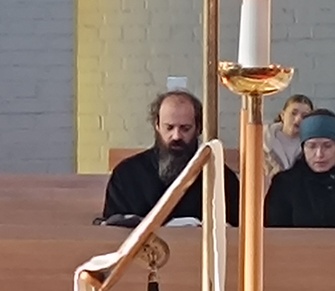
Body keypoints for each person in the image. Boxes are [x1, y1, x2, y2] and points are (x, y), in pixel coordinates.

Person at [101, 90, 240, 224]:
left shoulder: (221, 180)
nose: (176, 136)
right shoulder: (126, 175)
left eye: (185, 128)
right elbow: (111, 229)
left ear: (199, 128)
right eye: (169, 127)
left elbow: (234, 230)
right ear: (157, 125)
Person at [265, 109, 335, 227]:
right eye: (312, 146)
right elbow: (275, 229)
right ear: (303, 148)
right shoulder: (286, 184)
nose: (319, 154)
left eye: (327, 146)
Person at [263, 94, 313, 176]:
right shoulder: (263, 141)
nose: (298, 119)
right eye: (293, 113)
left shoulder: (311, 146)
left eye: (304, 116)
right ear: (282, 115)